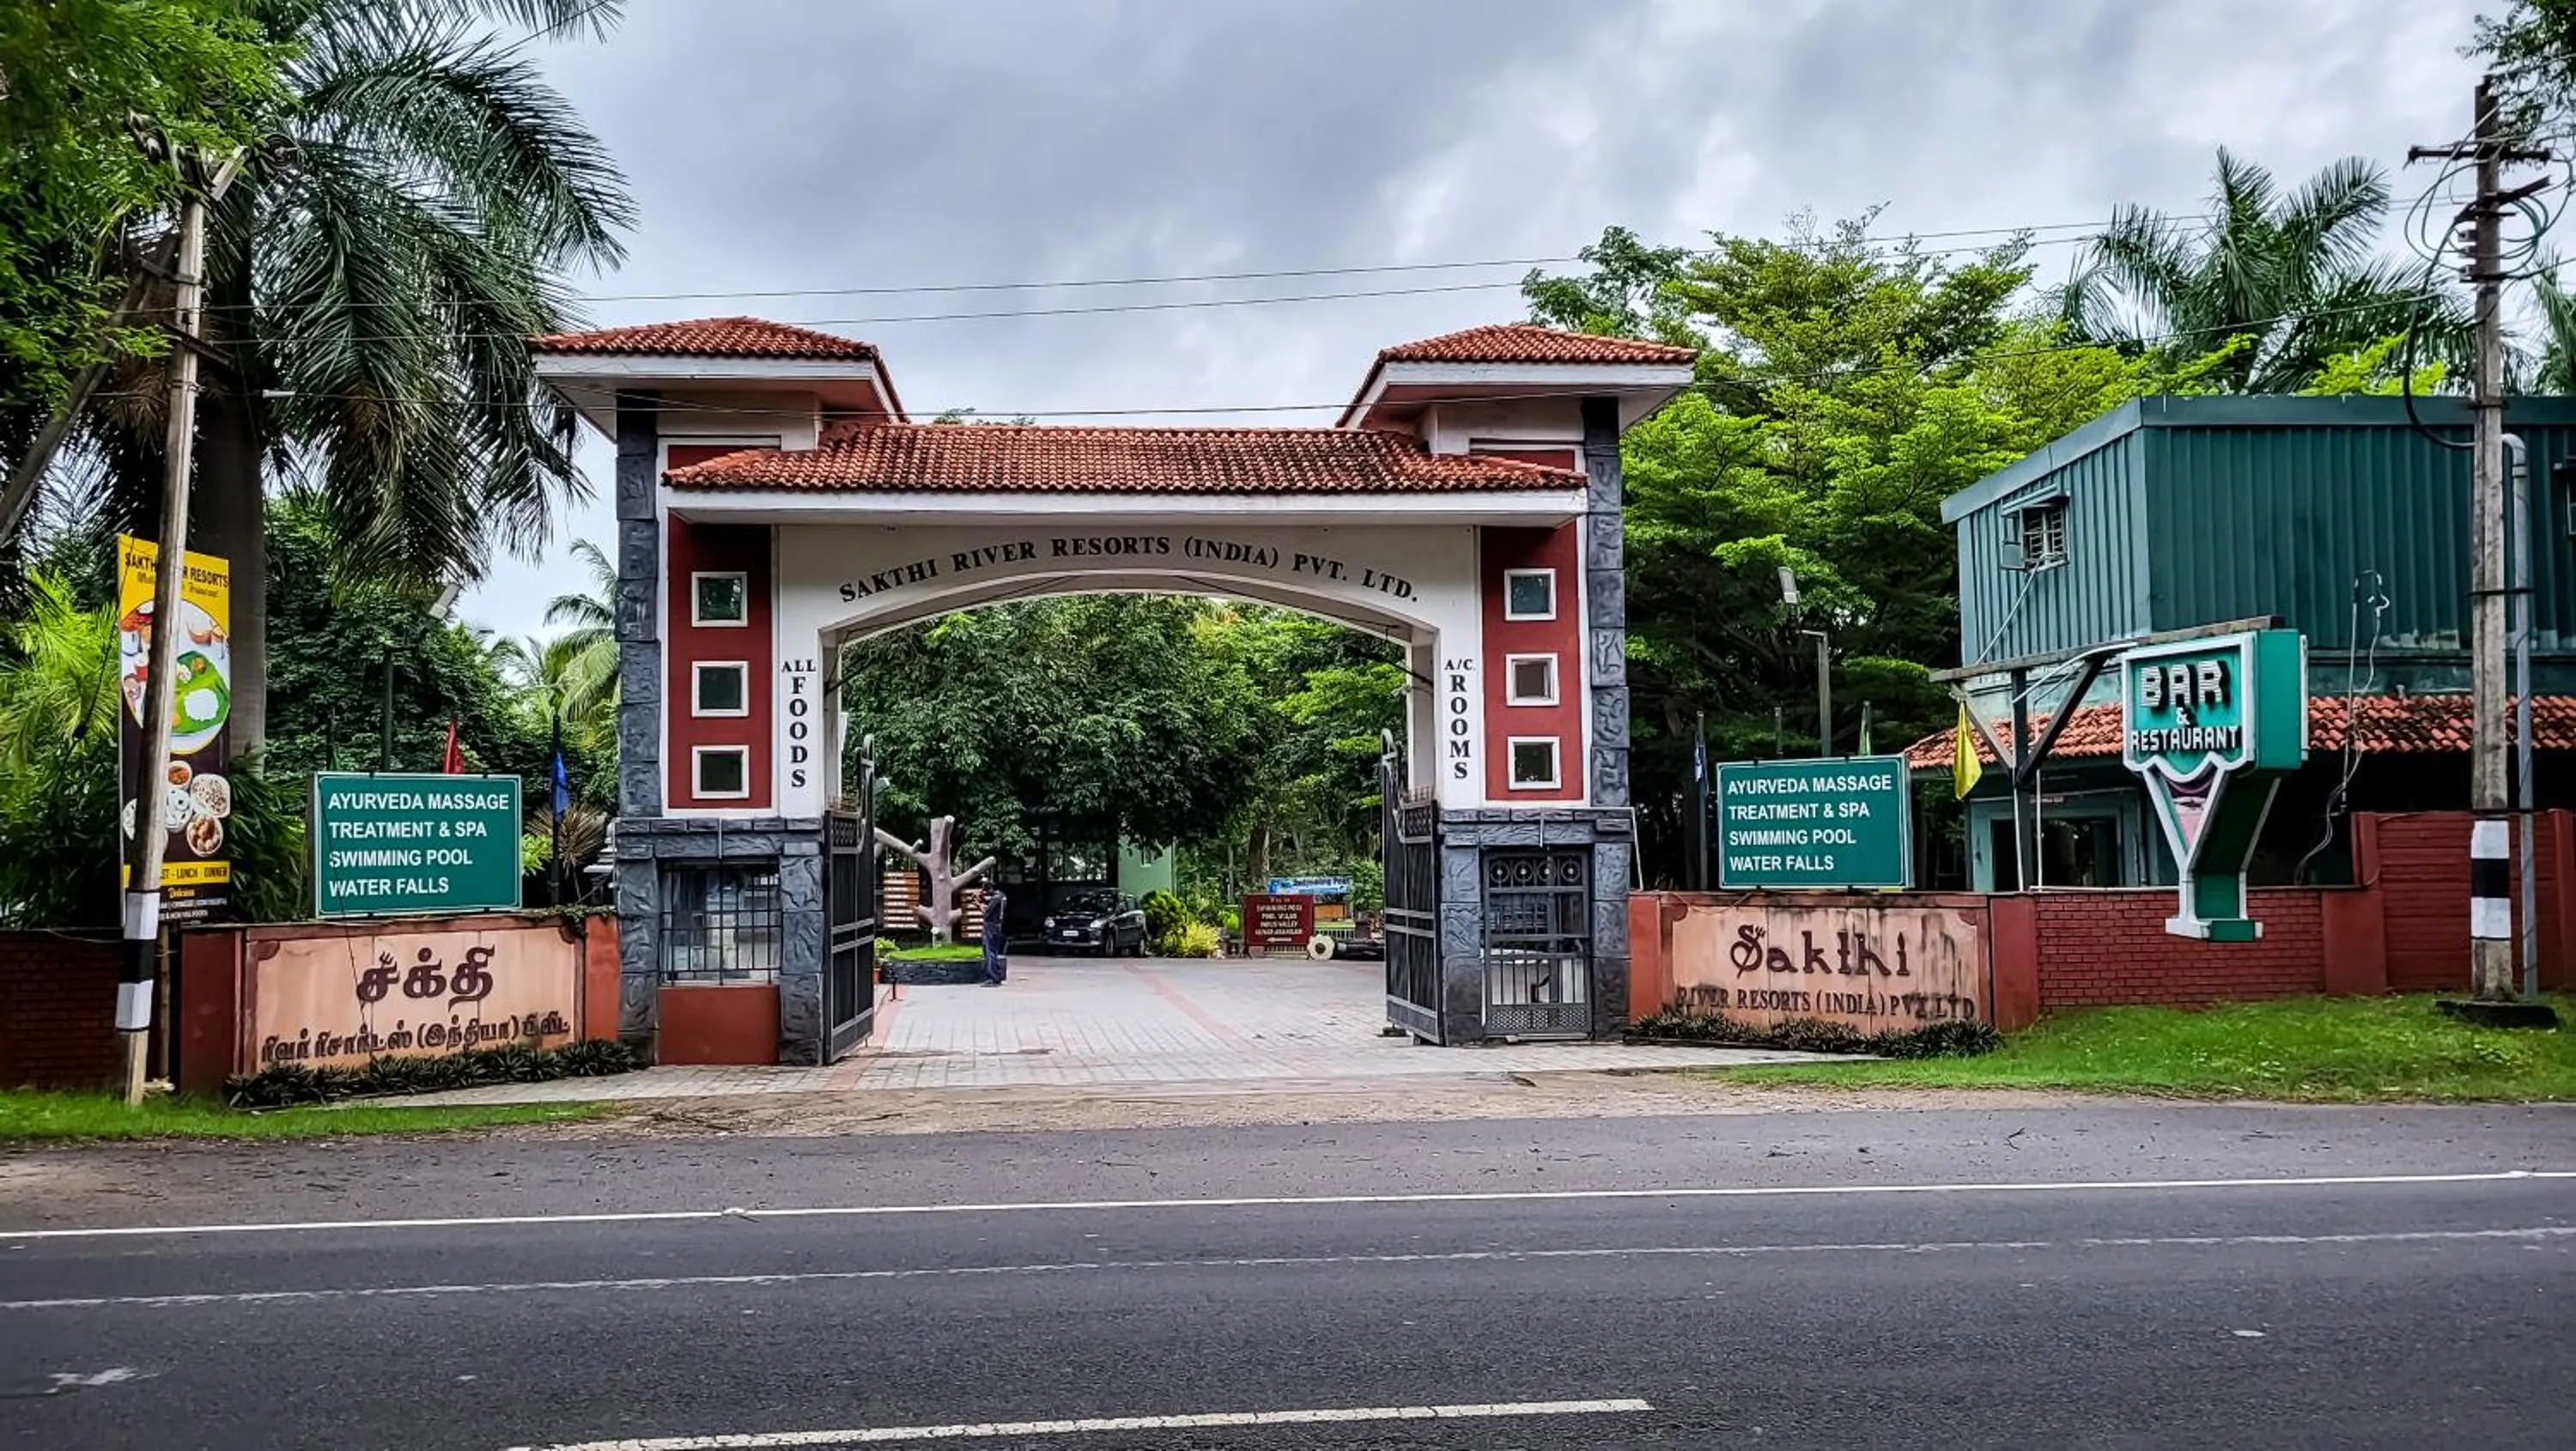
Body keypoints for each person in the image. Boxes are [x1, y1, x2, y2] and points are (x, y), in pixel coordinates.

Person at [980, 884, 1009, 986]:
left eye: (987, 891)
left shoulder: (996, 899)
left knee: (989, 951)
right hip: (998, 926)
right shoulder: (1002, 897)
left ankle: (993, 978)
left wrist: (979, 905)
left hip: (991, 926)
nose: (987, 894)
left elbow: (988, 913)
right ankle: (997, 975)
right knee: (994, 951)